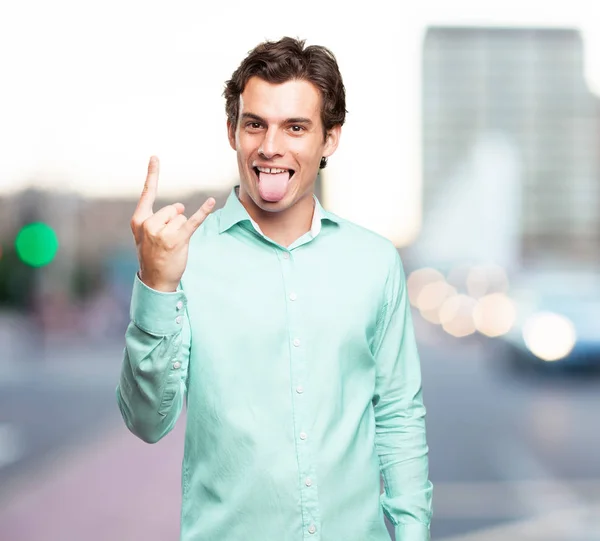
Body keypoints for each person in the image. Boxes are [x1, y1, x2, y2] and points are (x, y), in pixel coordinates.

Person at [116, 36, 433, 541]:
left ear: (330, 139)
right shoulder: (184, 259)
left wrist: (413, 533)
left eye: (296, 127)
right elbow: (147, 422)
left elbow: (397, 412)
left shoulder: (375, 262)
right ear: (231, 131)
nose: (270, 147)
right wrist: (157, 284)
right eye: (255, 124)